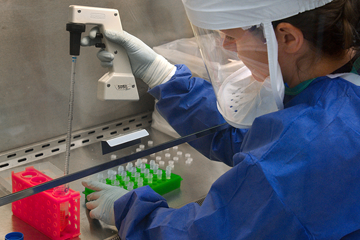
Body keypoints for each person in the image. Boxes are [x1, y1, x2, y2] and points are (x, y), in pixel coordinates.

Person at [82, 0, 360, 239]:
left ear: (287, 38)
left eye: (232, 36)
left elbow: (208, 234)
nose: (226, 45)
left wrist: (131, 213)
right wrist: (161, 74)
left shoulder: (308, 144)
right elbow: (251, 138)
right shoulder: (337, 93)